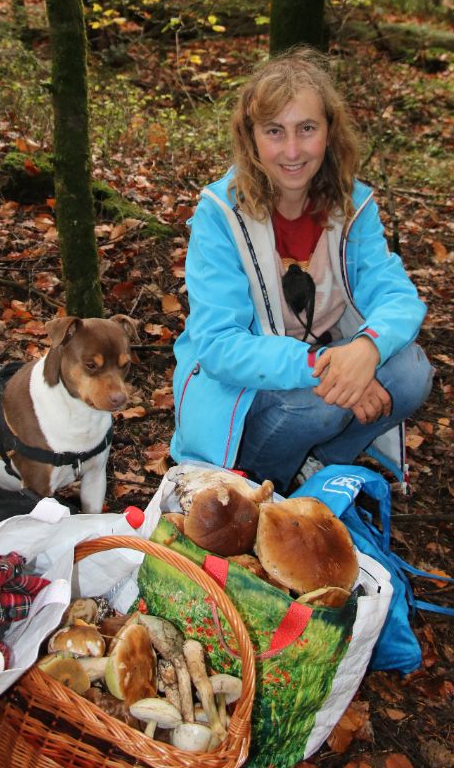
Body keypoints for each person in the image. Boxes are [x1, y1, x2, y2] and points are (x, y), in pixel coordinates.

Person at [171, 47, 433, 494]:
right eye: (275, 131)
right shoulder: (220, 214)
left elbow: (399, 297)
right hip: (246, 395)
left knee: (410, 373)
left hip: (324, 369)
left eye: (307, 129)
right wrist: (330, 366)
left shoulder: (352, 206)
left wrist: (366, 352)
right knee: (318, 406)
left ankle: (317, 466)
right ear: (251, 137)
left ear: (329, 133)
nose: (292, 150)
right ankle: (259, 483)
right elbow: (218, 346)